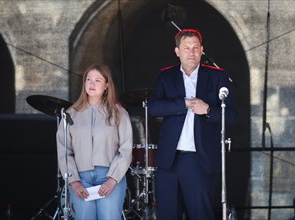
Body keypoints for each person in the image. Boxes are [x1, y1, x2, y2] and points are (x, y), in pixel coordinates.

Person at [148, 29, 238, 219]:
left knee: (200, 214)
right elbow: (154, 108)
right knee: (167, 215)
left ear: (202, 50)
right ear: (177, 51)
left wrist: (208, 110)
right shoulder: (166, 76)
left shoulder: (217, 76)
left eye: (195, 48)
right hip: (168, 160)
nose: (191, 52)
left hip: (199, 159)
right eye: (186, 48)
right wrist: (184, 103)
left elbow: (231, 115)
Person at [56, 63, 133, 219]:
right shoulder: (71, 114)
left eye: (98, 80)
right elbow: (64, 150)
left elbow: (126, 149)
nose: (92, 84)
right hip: (80, 178)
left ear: (106, 85)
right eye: (88, 79)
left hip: (110, 176)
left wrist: (112, 179)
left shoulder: (119, 113)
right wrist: (74, 181)